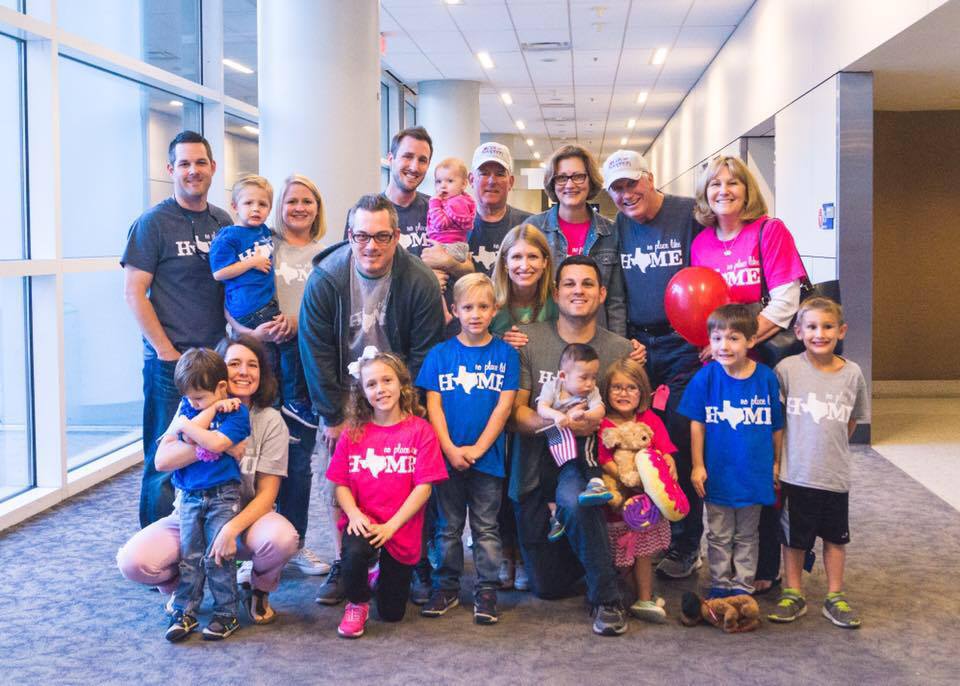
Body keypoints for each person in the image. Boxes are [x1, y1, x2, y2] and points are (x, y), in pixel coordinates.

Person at [301, 193, 445, 606]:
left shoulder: (418, 280)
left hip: (399, 386)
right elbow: (315, 352)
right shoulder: (326, 278)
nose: (371, 246)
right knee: (340, 476)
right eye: (362, 235)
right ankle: (345, 561)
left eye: (382, 236)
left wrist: (409, 411)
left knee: (407, 475)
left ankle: (413, 561)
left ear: (397, 236)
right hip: (344, 390)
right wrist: (332, 415)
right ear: (349, 235)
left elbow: (424, 353)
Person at [117, 333, 300, 627]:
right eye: (234, 363)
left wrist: (230, 529)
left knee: (282, 540)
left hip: (244, 519)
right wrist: (218, 443)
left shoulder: (269, 420)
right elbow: (163, 460)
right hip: (190, 511)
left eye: (252, 365)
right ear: (218, 374)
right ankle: (183, 590)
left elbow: (268, 494)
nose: (243, 371)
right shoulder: (191, 407)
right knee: (133, 562)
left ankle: (258, 590)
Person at [691, 155, 807, 593]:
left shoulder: (768, 231)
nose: (723, 190)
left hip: (763, 357)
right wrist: (722, 351)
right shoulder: (701, 242)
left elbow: (786, 299)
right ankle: (724, 568)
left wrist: (740, 340)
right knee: (728, 451)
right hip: (719, 361)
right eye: (714, 183)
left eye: (733, 182)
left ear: (748, 189)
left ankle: (765, 567)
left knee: (764, 461)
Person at [510, 254, 633, 636]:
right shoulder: (530, 340)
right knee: (547, 587)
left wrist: (591, 426)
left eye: (587, 284)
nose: (578, 291)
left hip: (587, 462)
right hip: (535, 464)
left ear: (601, 293)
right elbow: (516, 414)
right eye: (569, 284)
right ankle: (589, 558)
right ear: (556, 291)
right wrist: (557, 423)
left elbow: (627, 415)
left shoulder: (618, 349)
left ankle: (607, 599)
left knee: (580, 499)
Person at [122, 130, 233, 528]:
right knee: (164, 456)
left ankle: (207, 540)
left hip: (217, 360)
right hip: (172, 363)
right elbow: (135, 293)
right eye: (184, 163)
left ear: (212, 168)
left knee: (214, 452)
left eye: (200, 163)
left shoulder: (223, 220)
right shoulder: (152, 224)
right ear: (171, 169)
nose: (193, 171)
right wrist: (167, 352)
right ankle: (156, 550)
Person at [602, 148, 704, 580]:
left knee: (678, 435)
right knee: (634, 443)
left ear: (651, 178)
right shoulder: (617, 228)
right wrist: (624, 342)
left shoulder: (689, 214)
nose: (627, 195)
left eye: (632, 183)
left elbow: (712, 270)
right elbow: (619, 290)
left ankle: (686, 542)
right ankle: (644, 539)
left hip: (684, 343)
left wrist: (708, 333)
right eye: (617, 189)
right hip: (638, 347)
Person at [416, 273, 519, 624]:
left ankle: (486, 589)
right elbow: (433, 407)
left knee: (486, 527)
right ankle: (445, 586)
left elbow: (504, 408)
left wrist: (477, 448)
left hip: (486, 459)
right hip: (446, 459)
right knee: (447, 526)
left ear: (495, 311)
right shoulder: (439, 354)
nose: (475, 314)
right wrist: (449, 449)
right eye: (468, 307)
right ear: (455, 311)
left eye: (483, 307)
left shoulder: (506, 355)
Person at [326, 353, 447, 638]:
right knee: (354, 553)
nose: (380, 389)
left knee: (392, 613)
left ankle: (378, 573)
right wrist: (354, 514)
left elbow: (424, 487)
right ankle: (356, 603)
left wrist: (392, 526)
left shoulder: (421, 431)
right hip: (363, 520)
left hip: (400, 526)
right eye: (371, 384)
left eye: (386, 380)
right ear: (362, 392)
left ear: (401, 384)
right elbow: (339, 482)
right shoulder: (353, 432)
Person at [768, 298, 869, 628]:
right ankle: (793, 592)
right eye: (811, 327)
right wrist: (779, 464)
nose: (819, 334)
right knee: (794, 539)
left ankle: (835, 595)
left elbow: (851, 421)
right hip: (796, 473)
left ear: (841, 331)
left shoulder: (853, 374)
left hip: (835, 475)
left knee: (836, 539)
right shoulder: (787, 370)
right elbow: (778, 423)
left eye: (827, 327)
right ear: (798, 331)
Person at [677, 304, 784, 598]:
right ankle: (721, 584)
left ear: (751, 341)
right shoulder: (706, 378)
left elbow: (777, 425)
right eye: (717, 338)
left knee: (748, 534)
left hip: (754, 472)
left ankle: (743, 586)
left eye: (734, 338)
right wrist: (697, 465)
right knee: (719, 534)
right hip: (719, 472)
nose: (724, 346)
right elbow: (696, 425)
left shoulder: (765, 378)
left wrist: (776, 463)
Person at [211, 175, 316, 429]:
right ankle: (284, 404)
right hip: (252, 320)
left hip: (285, 324)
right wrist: (249, 333)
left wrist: (295, 321)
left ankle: (284, 407)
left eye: (262, 204)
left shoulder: (265, 237)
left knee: (281, 360)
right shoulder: (258, 239)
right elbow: (223, 285)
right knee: (267, 366)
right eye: (291, 201)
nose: (255, 209)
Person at [488, 223, 558, 591]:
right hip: (495, 406)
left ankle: (531, 553)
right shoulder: (492, 303)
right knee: (497, 482)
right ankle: (506, 552)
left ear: (546, 262)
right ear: (504, 261)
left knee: (532, 483)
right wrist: (499, 340)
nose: (524, 264)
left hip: (541, 408)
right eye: (516, 256)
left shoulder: (557, 305)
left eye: (533, 256)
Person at [164, 348, 250, 642]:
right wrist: (209, 410)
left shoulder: (238, 412)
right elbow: (182, 442)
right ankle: (184, 610)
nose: (192, 403)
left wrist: (186, 426)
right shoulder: (191, 407)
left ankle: (226, 613)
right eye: (189, 397)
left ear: (221, 388)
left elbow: (212, 443)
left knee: (218, 556)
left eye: (200, 398)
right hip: (188, 495)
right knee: (190, 555)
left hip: (222, 495)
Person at [597, 358, 677, 622]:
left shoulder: (649, 419)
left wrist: (669, 464)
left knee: (643, 554)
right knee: (617, 557)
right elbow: (603, 460)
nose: (623, 393)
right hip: (617, 505)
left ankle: (644, 597)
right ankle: (622, 596)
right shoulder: (603, 424)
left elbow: (666, 452)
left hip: (646, 505)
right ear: (606, 392)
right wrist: (624, 475)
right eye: (617, 388)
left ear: (642, 392)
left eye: (631, 388)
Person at [526, 144, 626, 336]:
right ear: (553, 183)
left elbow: (616, 301)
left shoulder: (611, 232)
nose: (570, 185)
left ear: (590, 181)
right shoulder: (534, 229)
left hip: (597, 338)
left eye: (579, 176)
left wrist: (618, 348)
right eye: (562, 177)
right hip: (546, 336)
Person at [536, 343, 610, 542]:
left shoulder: (591, 392)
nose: (590, 383)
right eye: (583, 377)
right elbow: (542, 407)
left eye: (593, 377)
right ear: (563, 376)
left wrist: (585, 414)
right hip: (557, 437)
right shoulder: (553, 386)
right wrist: (556, 415)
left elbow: (600, 410)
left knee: (588, 453)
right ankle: (555, 516)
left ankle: (597, 484)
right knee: (546, 471)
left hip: (582, 435)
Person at [467, 142, 532, 277]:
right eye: (484, 173)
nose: (492, 181)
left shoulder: (529, 225)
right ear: (471, 180)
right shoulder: (454, 226)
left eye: (500, 174)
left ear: (511, 182)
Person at [426, 157, 476, 264]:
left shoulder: (457, 203)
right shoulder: (452, 201)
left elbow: (440, 224)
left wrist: (434, 203)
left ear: (463, 184)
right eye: (438, 181)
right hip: (448, 245)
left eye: (450, 181)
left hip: (449, 247)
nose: (443, 185)